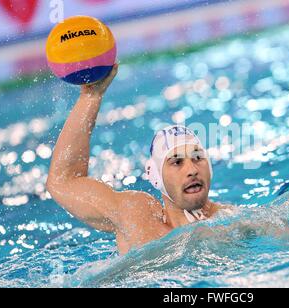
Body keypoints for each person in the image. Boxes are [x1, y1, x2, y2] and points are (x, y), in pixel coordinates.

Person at [46, 64, 226, 255]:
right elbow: (63, 181)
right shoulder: (135, 216)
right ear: (155, 175)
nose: (192, 170)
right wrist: (90, 97)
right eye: (176, 162)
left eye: (198, 158)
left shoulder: (229, 223)